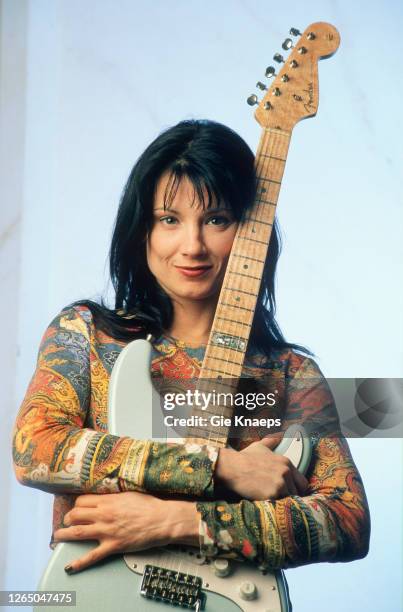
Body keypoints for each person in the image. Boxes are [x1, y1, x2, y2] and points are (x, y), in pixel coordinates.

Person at [12, 119, 370, 580]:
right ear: (142, 229)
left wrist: (181, 522)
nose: (193, 246)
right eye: (169, 220)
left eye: (217, 219)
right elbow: (35, 448)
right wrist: (220, 467)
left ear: (251, 232)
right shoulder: (86, 334)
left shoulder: (289, 373)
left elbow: (349, 522)